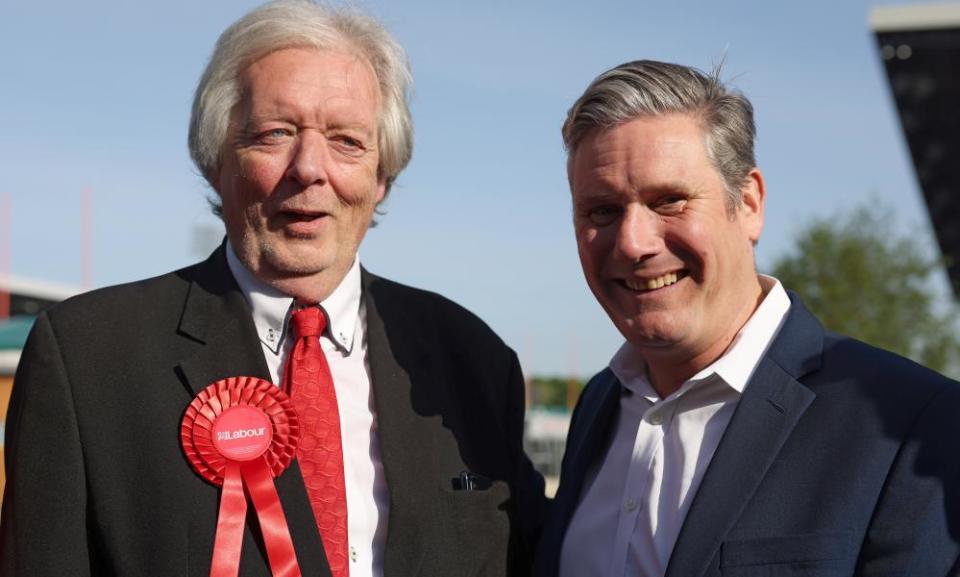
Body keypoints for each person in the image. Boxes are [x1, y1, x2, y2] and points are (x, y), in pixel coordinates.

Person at [0, 2, 544, 576]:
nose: (309, 168)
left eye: (347, 141)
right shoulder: (88, 358)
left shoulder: (475, 361)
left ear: (382, 176)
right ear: (216, 160)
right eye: (274, 133)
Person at [535, 59, 960, 577]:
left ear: (750, 203)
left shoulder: (916, 429)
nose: (633, 242)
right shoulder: (600, 405)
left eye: (669, 201)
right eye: (602, 212)